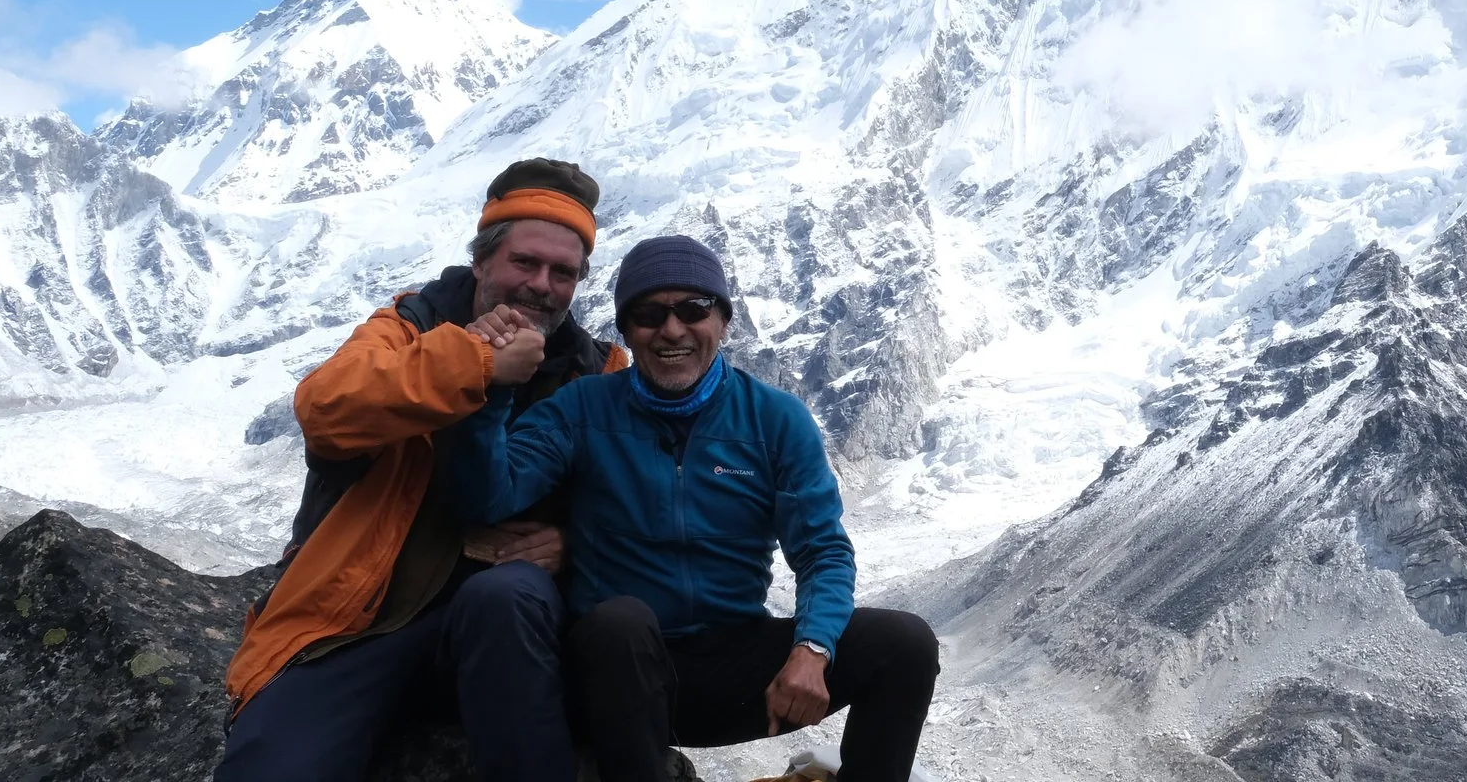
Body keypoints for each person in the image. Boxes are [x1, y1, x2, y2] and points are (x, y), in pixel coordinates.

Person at [445, 235, 940, 782]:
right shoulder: (582, 410)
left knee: (905, 643)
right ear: (626, 329)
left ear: (723, 321)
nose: (672, 330)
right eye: (648, 314)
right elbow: (489, 496)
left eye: (693, 309)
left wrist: (813, 648)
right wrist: (490, 388)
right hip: (614, 672)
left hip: (736, 663)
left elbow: (822, 551)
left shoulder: (775, 420)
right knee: (619, 622)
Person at [216, 158, 625, 782]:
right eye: (524, 262)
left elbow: (636, 503)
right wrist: (473, 360)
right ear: (481, 261)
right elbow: (325, 410)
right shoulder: (410, 326)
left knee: (505, 597)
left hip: (506, 625)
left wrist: (574, 543)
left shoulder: (597, 371)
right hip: (364, 615)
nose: (542, 285)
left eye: (562, 272)